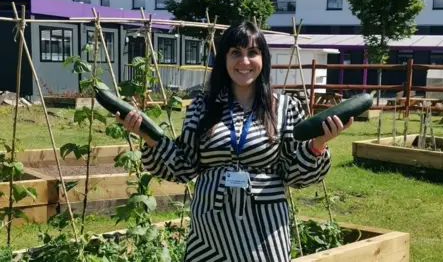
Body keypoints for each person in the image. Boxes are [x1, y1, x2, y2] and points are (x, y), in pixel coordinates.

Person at [115, 20, 353, 262]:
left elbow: (294, 174)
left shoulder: (284, 108)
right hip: (209, 230)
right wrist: (147, 136)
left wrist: (318, 144)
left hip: (264, 228)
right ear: (225, 59)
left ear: (263, 59)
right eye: (235, 53)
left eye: (252, 53)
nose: (244, 61)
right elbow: (184, 166)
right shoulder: (202, 107)